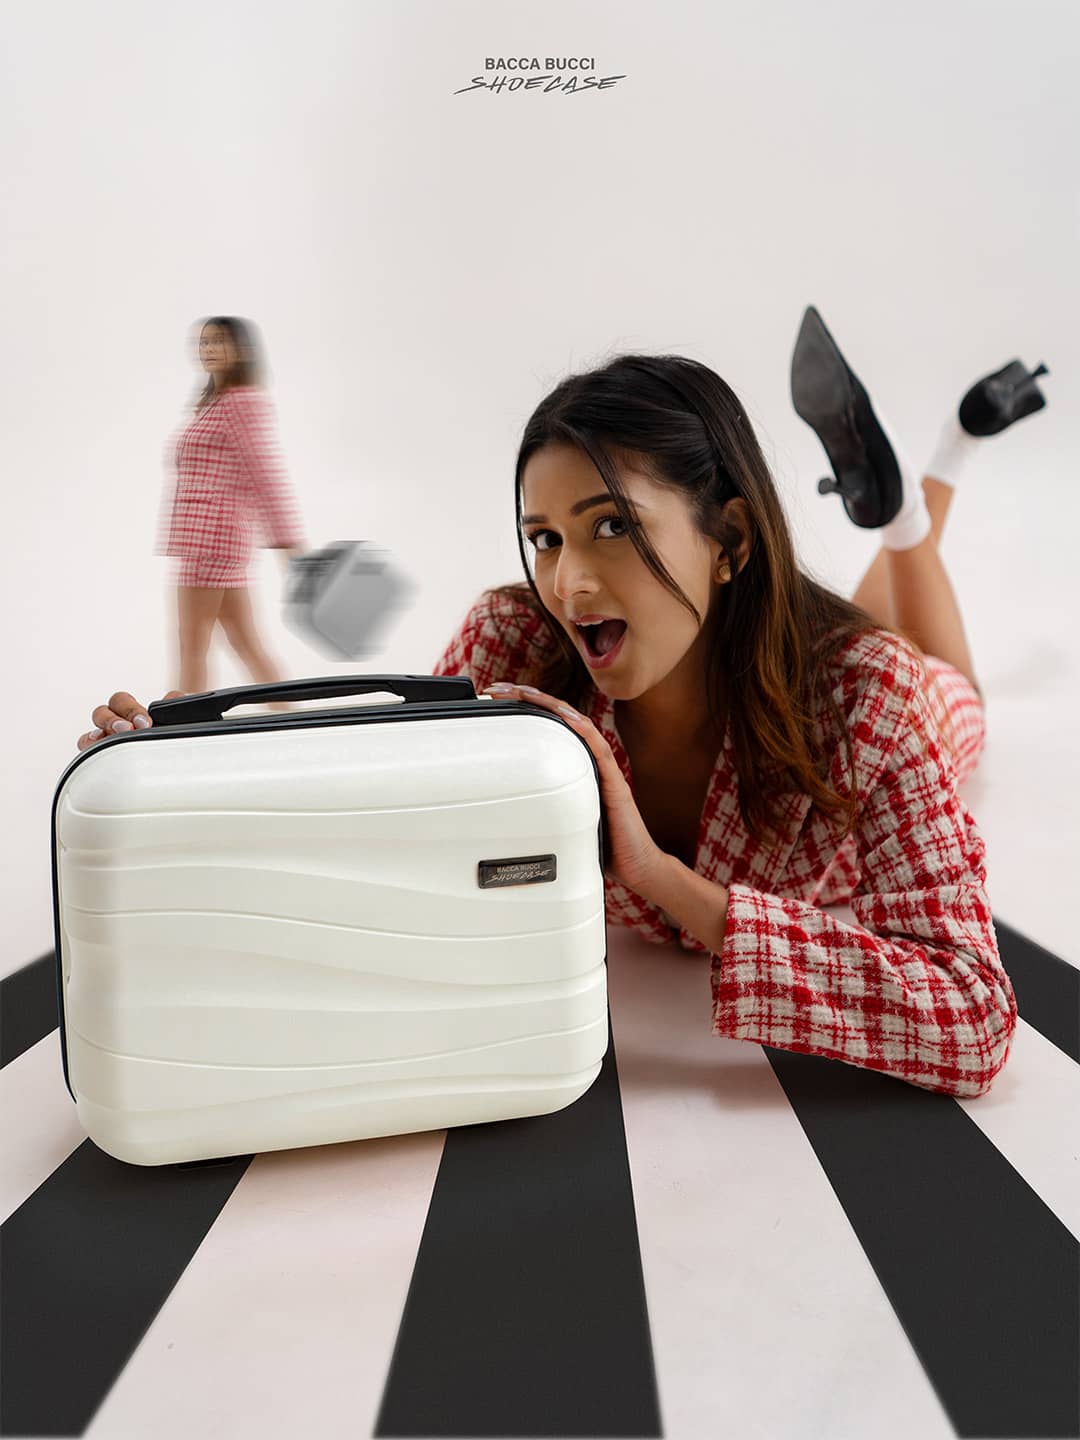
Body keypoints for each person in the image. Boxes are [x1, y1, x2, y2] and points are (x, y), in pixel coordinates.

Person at [77, 315, 1048, 1099]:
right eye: (543, 539)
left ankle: (932, 485)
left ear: (731, 537)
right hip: (789, 637)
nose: (569, 583)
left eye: (613, 526)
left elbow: (972, 1019)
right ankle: (911, 503)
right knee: (864, 625)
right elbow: (370, 788)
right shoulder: (513, 651)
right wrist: (182, 772)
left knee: (940, 675)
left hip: (890, 696)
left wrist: (666, 882)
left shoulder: (871, 699)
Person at [157, 315, 307, 694]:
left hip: (210, 539)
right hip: (210, 539)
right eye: (203, 342)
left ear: (242, 350)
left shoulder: (242, 403)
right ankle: (291, 716)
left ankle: (184, 732)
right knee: (246, 644)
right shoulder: (216, 403)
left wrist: (288, 545)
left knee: (192, 647)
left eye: (218, 341)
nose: (208, 349)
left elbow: (265, 474)